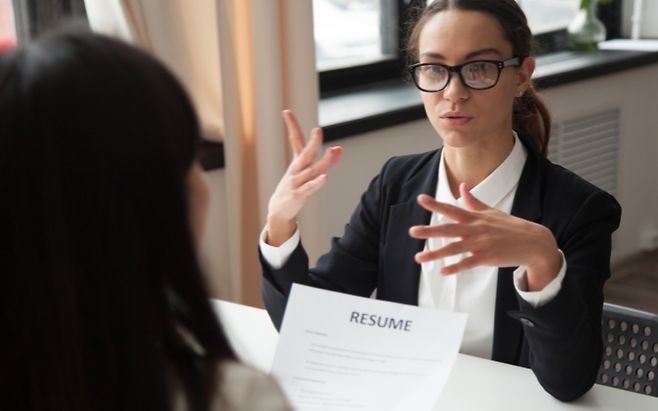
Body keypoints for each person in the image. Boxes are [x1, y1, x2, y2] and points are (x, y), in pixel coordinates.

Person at [259, 0, 621, 402]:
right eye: (434, 68)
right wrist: (280, 223)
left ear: (521, 76)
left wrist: (543, 260)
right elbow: (309, 323)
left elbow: (568, 383)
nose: (453, 92)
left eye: (479, 68)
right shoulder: (396, 184)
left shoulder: (580, 210)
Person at [0, 30, 292, 411]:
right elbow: (310, 299)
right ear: (152, 205)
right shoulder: (233, 397)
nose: (201, 184)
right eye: (190, 159)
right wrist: (281, 228)